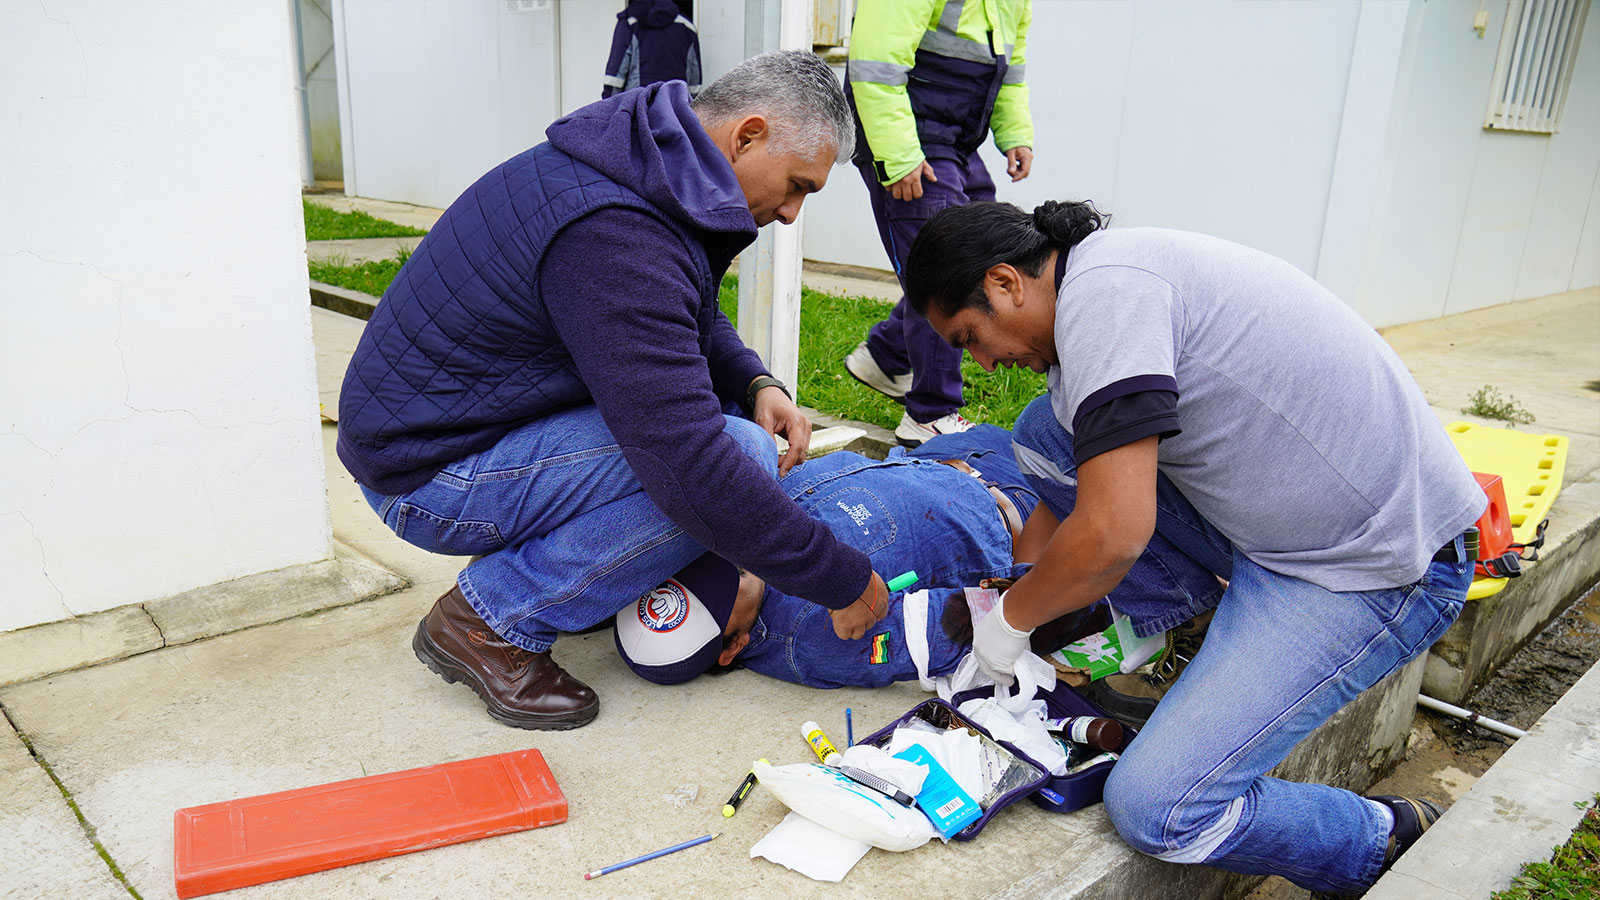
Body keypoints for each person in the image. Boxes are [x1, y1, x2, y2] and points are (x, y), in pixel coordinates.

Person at [901, 200, 1487, 896]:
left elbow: (1114, 533)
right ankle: (1174, 625)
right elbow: (1068, 510)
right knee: (1043, 433)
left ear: (1005, 284)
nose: (986, 362)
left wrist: (1011, 623)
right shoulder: (1101, 280)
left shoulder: (1106, 299)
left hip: (1374, 566)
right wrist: (1018, 589)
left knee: (1159, 809)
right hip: (1294, 531)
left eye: (971, 337)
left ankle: (1378, 838)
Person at [336, 52, 889, 733]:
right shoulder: (613, 229)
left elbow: (675, 304)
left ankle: (555, 572)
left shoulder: (640, 163)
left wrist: (753, 379)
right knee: (733, 456)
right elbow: (686, 463)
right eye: (798, 184)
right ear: (746, 136)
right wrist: (841, 577)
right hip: (428, 478)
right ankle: (490, 620)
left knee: (719, 425)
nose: (791, 213)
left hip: (450, 427)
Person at [611, 425, 1222, 689]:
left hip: (948, 455)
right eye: (720, 599)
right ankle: (1183, 607)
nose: (724, 568)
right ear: (734, 647)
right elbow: (971, 621)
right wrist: (1059, 592)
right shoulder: (816, 638)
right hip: (1025, 508)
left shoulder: (717, 537)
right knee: (1169, 493)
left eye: (695, 573)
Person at [840, 0, 1035, 447]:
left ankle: (887, 356)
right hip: (910, 137)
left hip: (956, 140)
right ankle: (930, 412)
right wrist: (900, 153)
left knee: (987, 247)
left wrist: (1015, 132)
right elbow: (875, 61)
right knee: (950, 272)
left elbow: (1012, 66)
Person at [601, 0, 702, 99]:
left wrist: (609, 107)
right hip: (674, 107)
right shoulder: (688, 27)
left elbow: (615, 76)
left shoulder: (629, 23)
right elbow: (695, 83)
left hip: (637, 106)